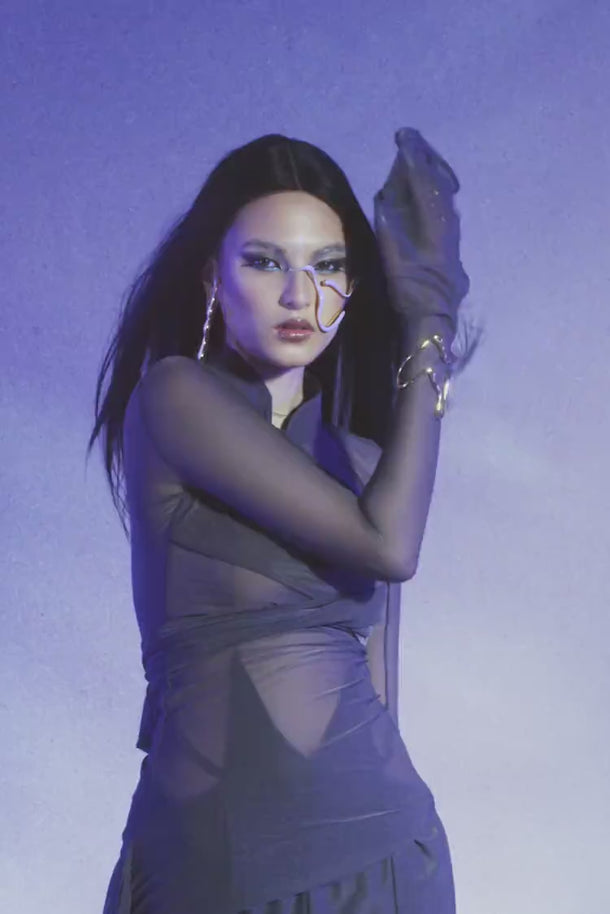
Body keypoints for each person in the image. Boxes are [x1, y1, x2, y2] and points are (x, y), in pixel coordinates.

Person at [88, 128, 477, 913]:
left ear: (355, 285)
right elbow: (390, 548)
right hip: (205, 873)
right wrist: (429, 317)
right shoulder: (175, 399)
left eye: (327, 266)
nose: (301, 297)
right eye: (266, 262)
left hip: (387, 865)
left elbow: (379, 682)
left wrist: (422, 320)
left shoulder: (367, 469)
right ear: (213, 275)